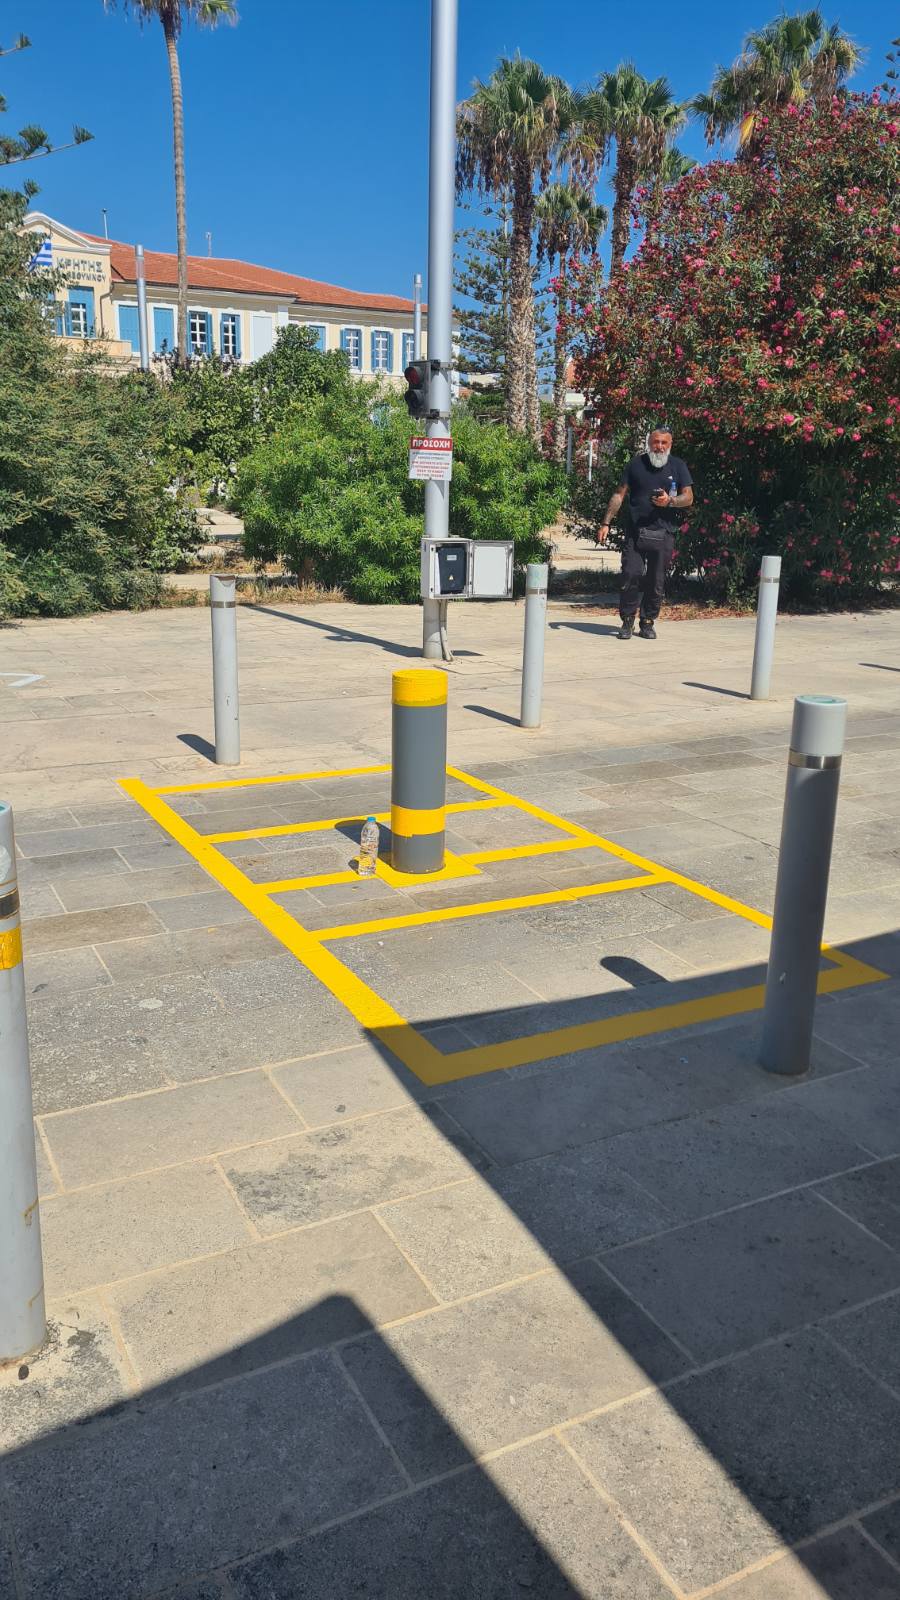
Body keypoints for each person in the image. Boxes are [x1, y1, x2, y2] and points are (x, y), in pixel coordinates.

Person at [597, 426, 693, 640]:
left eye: (664, 443)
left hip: (664, 532)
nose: (659, 447)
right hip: (635, 531)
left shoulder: (678, 466)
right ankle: (627, 620)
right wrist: (605, 523)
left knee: (656, 580)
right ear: (649, 443)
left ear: (670, 444)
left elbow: (688, 497)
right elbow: (619, 495)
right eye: (656, 442)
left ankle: (648, 621)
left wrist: (670, 501)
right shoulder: (635, 464)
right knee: (630, 574)